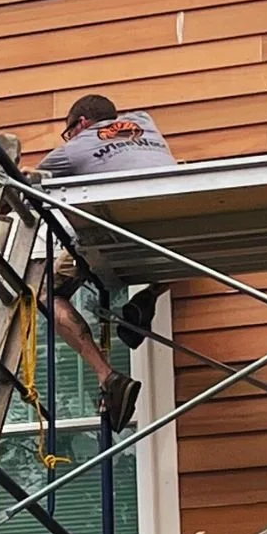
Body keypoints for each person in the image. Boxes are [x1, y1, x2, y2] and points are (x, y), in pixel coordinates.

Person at [34, 95, 177, 431]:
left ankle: (108, 377)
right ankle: (148, 297)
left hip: (115, 228)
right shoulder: (145, 121)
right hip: (171, 224)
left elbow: (20, 186)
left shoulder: (73, 149)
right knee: (185, 241)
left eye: (69, 130)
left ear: (82, 123)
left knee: (48, 295)